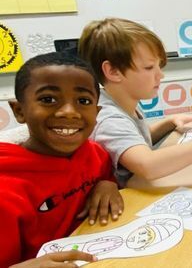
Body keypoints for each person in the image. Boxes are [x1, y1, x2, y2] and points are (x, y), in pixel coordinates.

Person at [78, 18, 192, 187]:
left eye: (159, 66)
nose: (160, 75)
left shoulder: (120, 99)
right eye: (149, 67)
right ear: (113, 71)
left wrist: (168, 121)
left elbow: (133, 139)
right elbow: (148, 165)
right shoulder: (107, 118)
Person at [1, 52, 123, 267]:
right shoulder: (6, 189)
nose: (69, 112)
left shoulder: (94, 153)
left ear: (97, 112)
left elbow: (105, 177)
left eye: (83, 101)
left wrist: (107, 185)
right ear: (19, 111)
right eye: (48, 99)